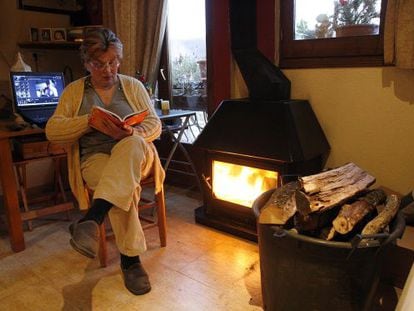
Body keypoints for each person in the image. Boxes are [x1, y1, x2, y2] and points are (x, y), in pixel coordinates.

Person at [45, 28, 164, 295]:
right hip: (95, 159)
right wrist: (87, 121)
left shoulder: (132, 86)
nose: (107, 70)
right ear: (86, 64)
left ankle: (92, 218)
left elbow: (155, 125)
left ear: (118, 60)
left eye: (112, 62)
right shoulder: (75, 92)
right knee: (122, 187)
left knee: (131, 144)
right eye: (98, 64)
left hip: (136, 155)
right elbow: (52, 130)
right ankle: (130, 262)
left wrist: (133, 131)